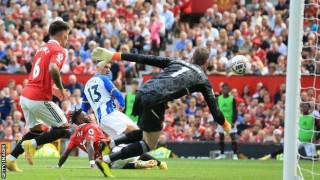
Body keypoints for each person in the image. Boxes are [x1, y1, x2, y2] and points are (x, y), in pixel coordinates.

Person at [90, 46, 231, 167]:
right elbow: (216, 112)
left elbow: (144, 58)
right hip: (156, 101)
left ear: (192, 57)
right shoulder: (203, 80)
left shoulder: (176, 62)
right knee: (149, 144)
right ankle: (107, 160)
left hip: (142, 92)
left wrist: (115, 55)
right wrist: (225, 125)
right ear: (206, 63)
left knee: (145, 132)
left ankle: (111, 143)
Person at [6, 20, 71, 172]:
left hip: (26, 96)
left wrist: (53, 88)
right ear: (62, 35)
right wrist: (61, 88)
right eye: (67, 37)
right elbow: (53, 68)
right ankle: (32, 145)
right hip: (37, 98)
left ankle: (10, 159)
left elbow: (41, 75)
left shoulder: (41, 49)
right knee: (63, 128)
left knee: (36, 131)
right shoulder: (59, 50)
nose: (66, 40)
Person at [57, 109, 166, 177]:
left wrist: (58, 167)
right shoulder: (90, 126)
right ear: (80, 121)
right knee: (134, 151)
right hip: (113, 151)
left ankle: (137, 164)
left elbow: (65, 154)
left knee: (113, 165)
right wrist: (92, 165)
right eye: (85, 115)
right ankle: (159, 164)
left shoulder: (74, 136)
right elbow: (90, 145)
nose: (88, 116)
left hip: (107, 158)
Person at [215, 83, 238, 160]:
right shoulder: (218, 98)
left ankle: (235, 155)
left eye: (227, 89)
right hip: (222, 121)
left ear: (229, 90)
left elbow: (235, 110)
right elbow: (216, 110)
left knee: (233, 138)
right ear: (222, 89)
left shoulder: (232, 99)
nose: (225, 90)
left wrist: (234, 121)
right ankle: (222, 154)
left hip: (230, 121)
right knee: (221, 138)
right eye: (224, 89)